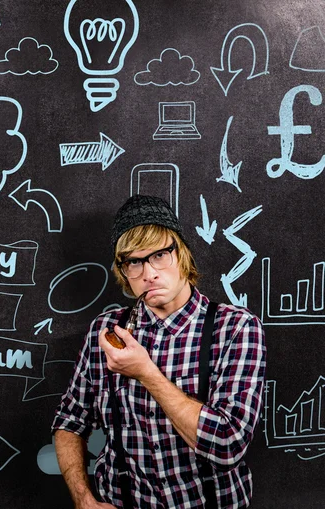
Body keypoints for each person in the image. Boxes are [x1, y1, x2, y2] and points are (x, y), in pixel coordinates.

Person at [51, 195, 266, 508]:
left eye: (159, 255)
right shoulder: (109, 332)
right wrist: (84, 500)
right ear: (123, 270)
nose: (148, 273)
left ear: (181, 255)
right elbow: (69, 422)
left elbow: (226, 444)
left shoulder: (234, 328)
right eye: (134, 261)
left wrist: (145, 372)